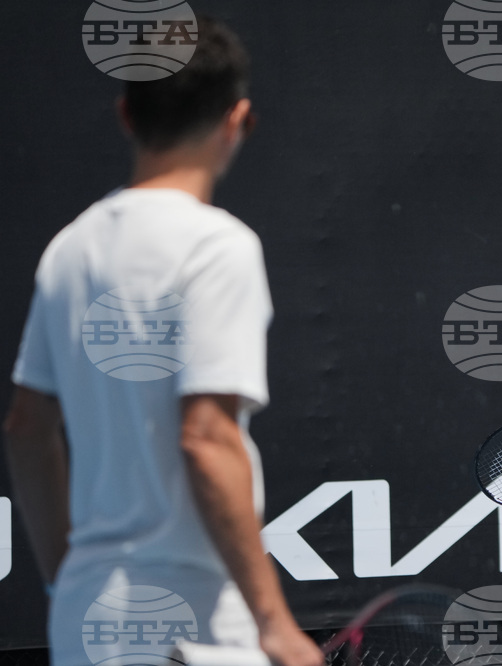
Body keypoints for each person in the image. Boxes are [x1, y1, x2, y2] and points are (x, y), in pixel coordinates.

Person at [2, 17, 324, 666]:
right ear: (237, 120)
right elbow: (206, 438)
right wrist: (274, 623)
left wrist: (71, 580)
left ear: (126, 114)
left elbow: (27, 432)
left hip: (87, 624)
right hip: (195, 628)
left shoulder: (69, 250)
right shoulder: (218, 247)